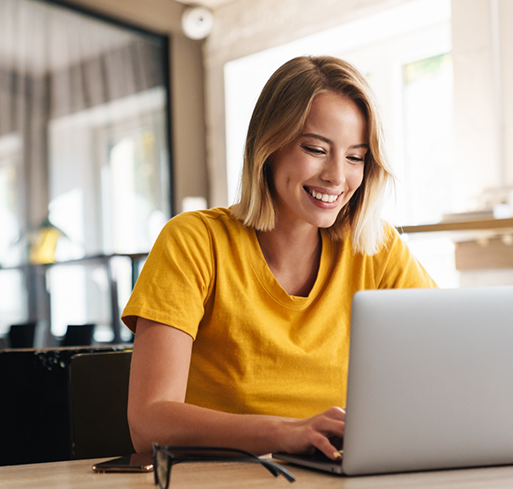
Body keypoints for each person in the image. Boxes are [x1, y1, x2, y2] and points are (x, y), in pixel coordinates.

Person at [122, 55, 436, 461]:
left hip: (337, 485)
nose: (337, 177)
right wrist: (285, 432)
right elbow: (148, 424)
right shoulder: (195, 241)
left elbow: (448, 365)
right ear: (268, 146)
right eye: (316, 149)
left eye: (356, 157)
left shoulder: (376, 248)